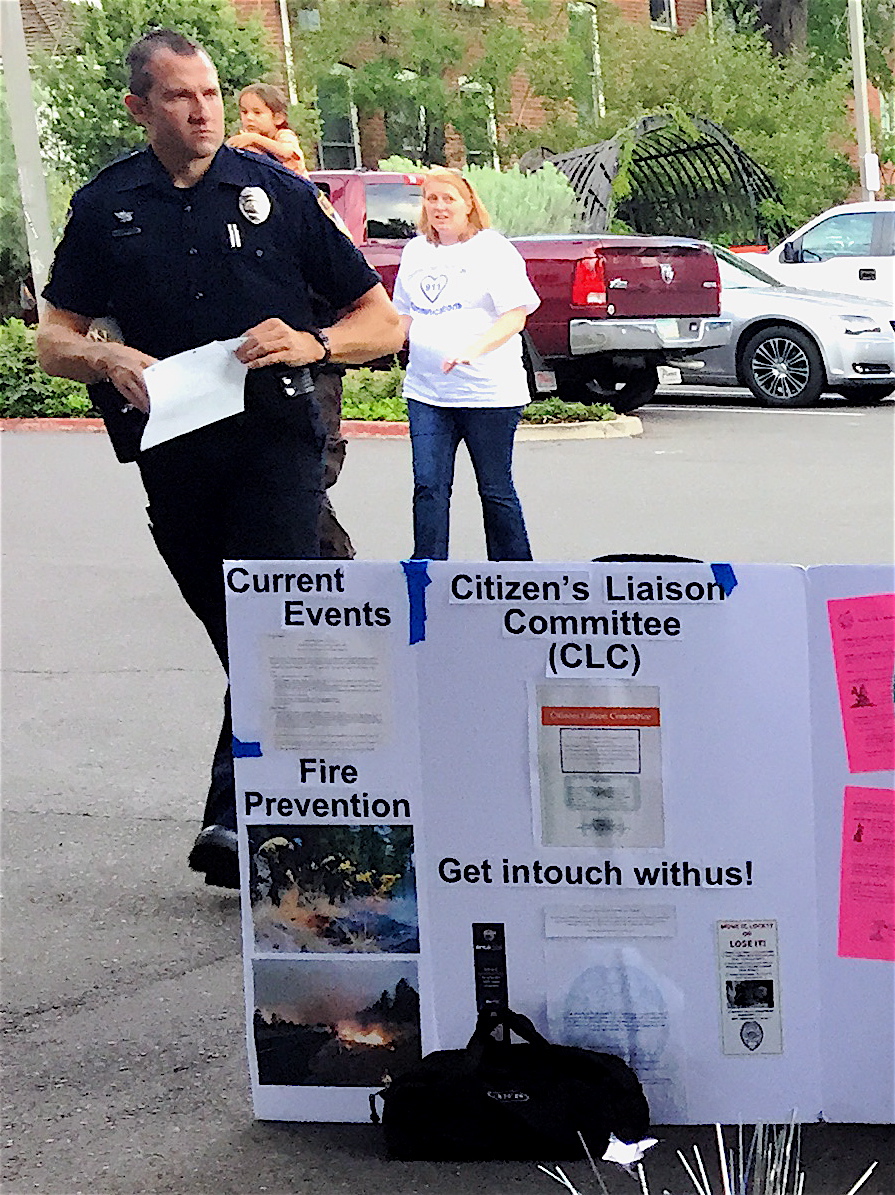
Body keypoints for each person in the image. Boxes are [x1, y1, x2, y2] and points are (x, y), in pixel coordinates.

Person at [37, 28, 403, 889]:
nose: (202, 112)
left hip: (277, 443)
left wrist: (313, 341)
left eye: (208, 93)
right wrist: (108, 357)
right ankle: (274, 813)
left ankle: (241, 819)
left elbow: (381, 323)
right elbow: (52, 338)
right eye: (180, 97)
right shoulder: (106, 208)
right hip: (173, 449)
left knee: (269, 619)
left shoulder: (276, 193)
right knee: (245, 635)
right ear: (140, 108)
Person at [392, 168, 540, 561]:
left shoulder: (492, 249)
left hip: (488, 393)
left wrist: (474, 349)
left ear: (469, 203)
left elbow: (515, 315)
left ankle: (516, 578)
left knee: (494, 489)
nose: (440, 207)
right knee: (428, 486)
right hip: (427, 393)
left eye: (449, 199)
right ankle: (426, 574)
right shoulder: (415, 252)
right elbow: (402, 318)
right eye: (432, 199)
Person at [227, 82, 308, 175]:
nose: (249, 117)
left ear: (278, 118)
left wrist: (254, 139)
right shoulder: (247, 138)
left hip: (295, 187)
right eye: (244, 112)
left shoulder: (284, 134)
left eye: (257, 112)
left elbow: (286, 152)